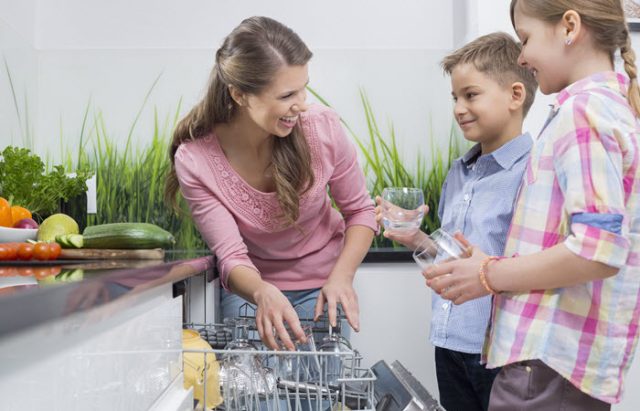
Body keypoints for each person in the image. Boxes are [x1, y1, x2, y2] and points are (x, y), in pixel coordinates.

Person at [426, 1, 640, 409]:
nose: (522, 56)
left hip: (546, 363)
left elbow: (598, 250)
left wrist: (489, 274)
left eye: (526, 39)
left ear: (570, 27)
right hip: (551, 363)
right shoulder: (605, 109)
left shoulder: (584, 113)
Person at [164, 16, 376, 350]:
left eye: (304, 87)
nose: (302, 104)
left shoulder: (322, 129)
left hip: (323, 287)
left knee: (318, 399)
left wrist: (342, 277)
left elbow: (361, 211)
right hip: (251, 291)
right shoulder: (196, 160)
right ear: (239, 95)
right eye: (287, 94)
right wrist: (262, 291)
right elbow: (231, 255)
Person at [376, 32, 537, 411]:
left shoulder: (532, 173)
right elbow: (454, 255)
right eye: (455, 97)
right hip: (449, 342)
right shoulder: (458, 172)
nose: (459, 107)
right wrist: (418, 240)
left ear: (516, 95)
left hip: (499, 352)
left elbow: (534, 267)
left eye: (471, 94)